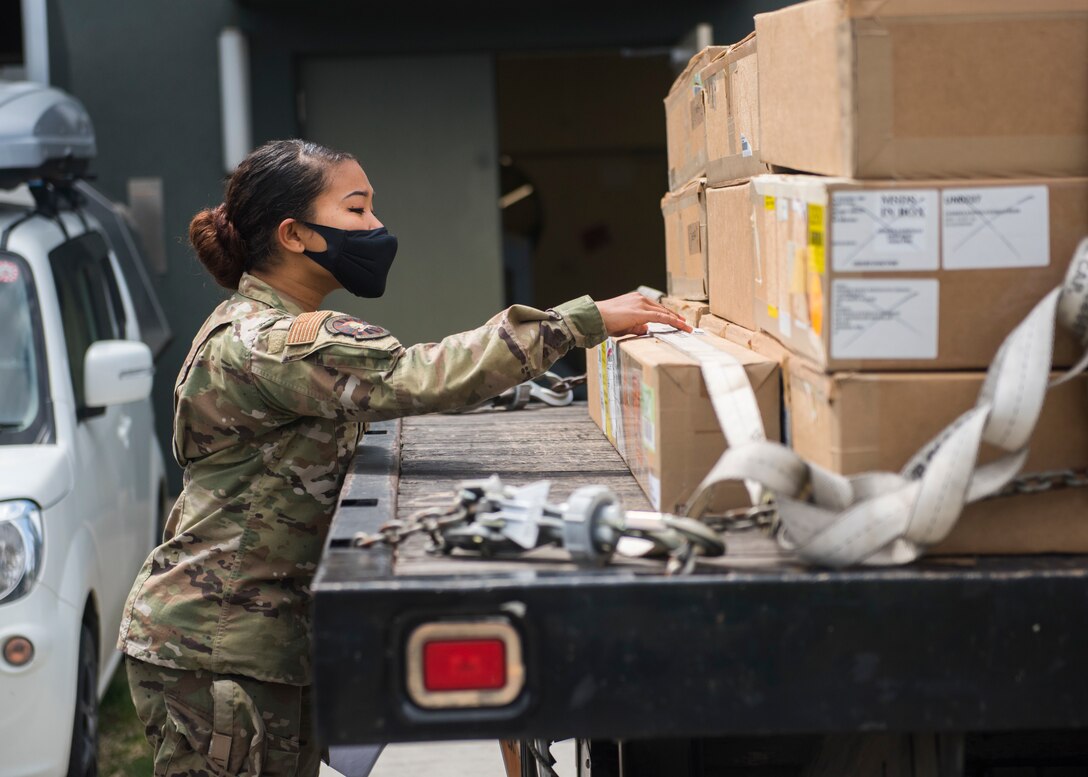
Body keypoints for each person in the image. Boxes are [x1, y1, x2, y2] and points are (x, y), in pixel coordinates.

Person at [117, 139, 691, 777]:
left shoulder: (250, 324)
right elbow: (419, 375)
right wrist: (581, 321)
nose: (376, 228)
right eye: (357, 210)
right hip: (221, 647)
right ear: (295, 234)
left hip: (245, 641)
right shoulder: (274, 341)